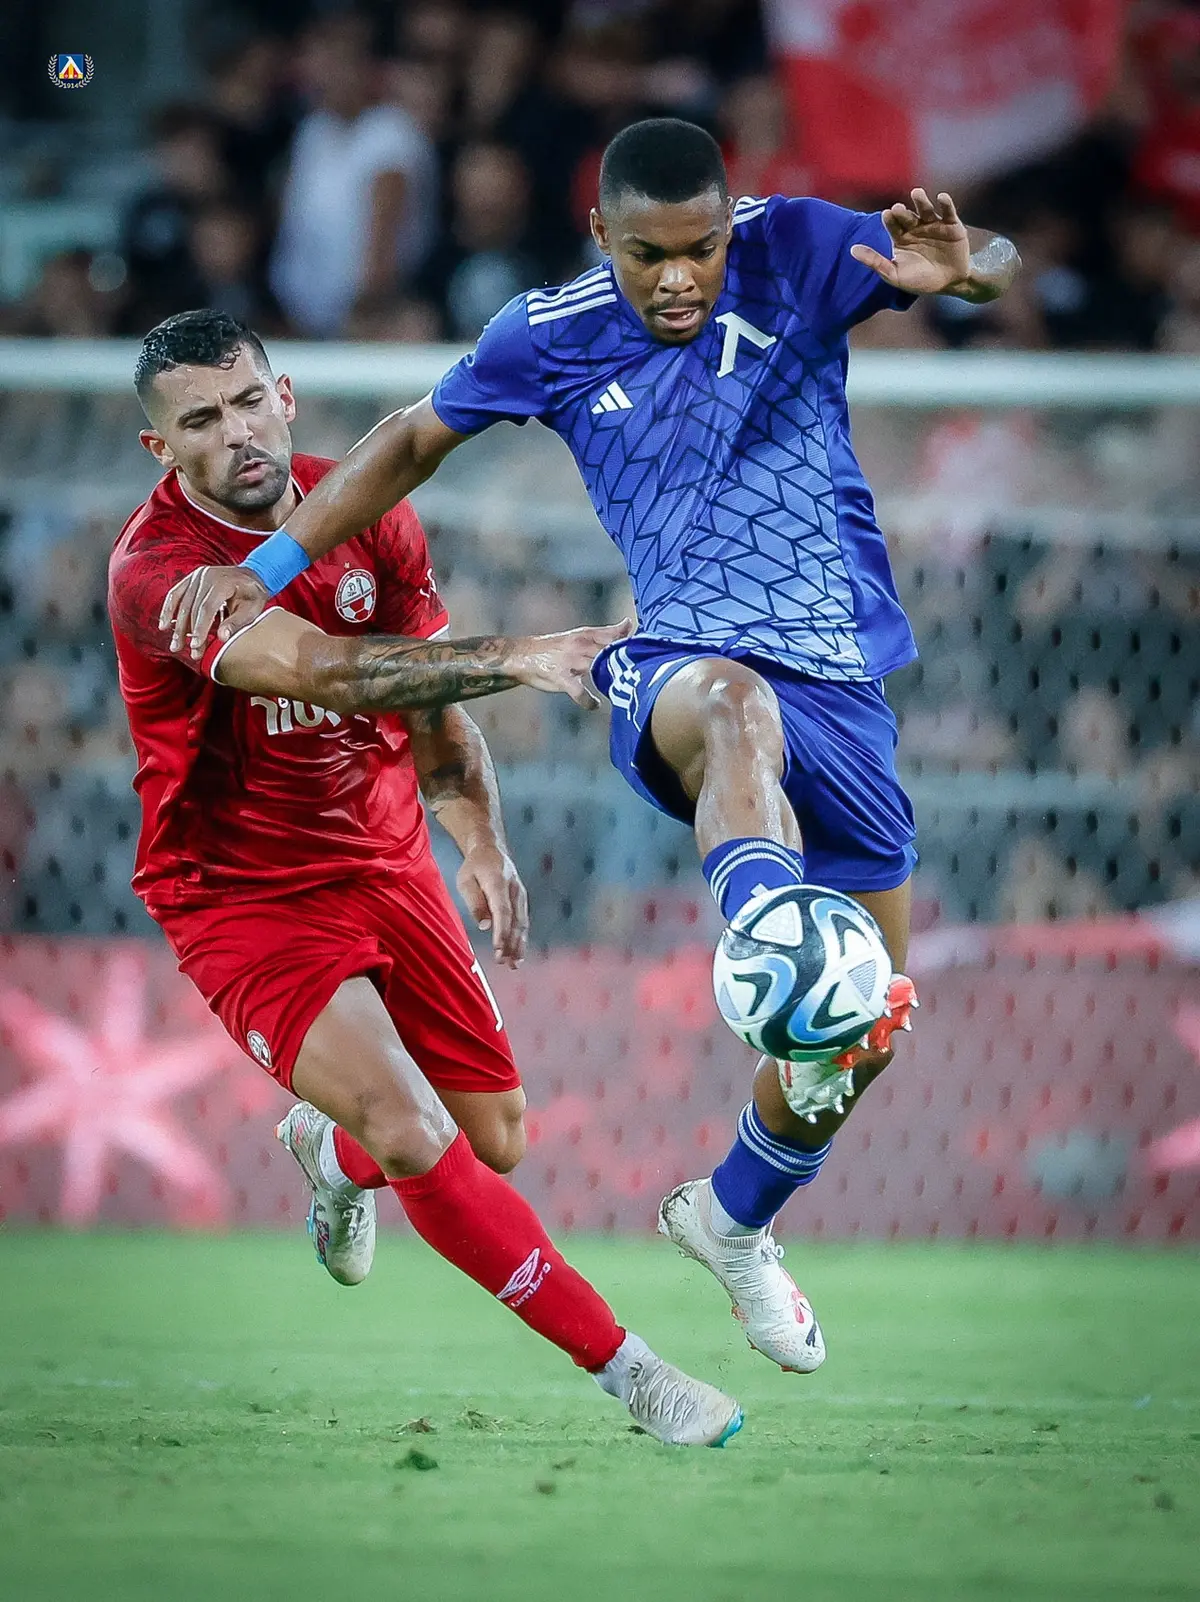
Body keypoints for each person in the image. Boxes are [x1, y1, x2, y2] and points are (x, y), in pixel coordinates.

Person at [157, 119, 1021, 1375]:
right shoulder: (550, 332)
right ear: (601, 234)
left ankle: (732, 1218)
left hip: (846, 682)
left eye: (700, 250)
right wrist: (272, 563)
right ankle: (764, 919)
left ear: (729, 227)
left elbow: (988, 255)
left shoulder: (795, 248)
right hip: (671, 661)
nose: (678, 278)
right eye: (648, 255)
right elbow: (410, 438)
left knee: (864, 1022)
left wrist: (972, 266)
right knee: (732, 706)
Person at [107, 309, 743, 1450]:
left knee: (491, 1139)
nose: (235, 433)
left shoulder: (366, 514)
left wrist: (478, 838)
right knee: (410, 1126)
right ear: (162, 448)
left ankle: (328, 1151)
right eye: (199, 421)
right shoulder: (160, 574)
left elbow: (428, 709)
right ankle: (634, 1373)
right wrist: (524, 654)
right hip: (244, 893)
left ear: (285, 397)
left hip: (389, 859)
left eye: (247, 402)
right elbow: (328, 673)